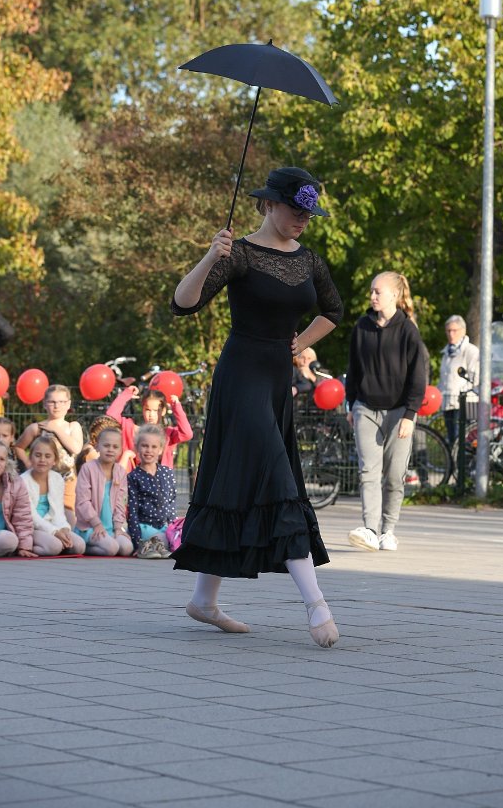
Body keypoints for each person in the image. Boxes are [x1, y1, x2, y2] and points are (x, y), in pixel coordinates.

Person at [170, 166, 343, 648]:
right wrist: (211, 255)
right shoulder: (239, 251)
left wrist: (298, 344)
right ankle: (316, 603)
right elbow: (183, 303)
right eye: (295, 209)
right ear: (268, 204)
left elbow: (333, 311)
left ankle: (203, 601)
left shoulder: (309, 260)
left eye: (309, 212)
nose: (303, 219)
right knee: (275, 475)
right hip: (240, 376)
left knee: (237, 478)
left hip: (274, 381)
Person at [346, 271, 427, 553]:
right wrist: (350, 403)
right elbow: (353, 368)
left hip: (399, 412)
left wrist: (410, 413)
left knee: (394, 475)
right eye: (371, 291)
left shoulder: (408, 330)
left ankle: (388, 531)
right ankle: (369, 529)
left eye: (378, 291)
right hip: (365, 408)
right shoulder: (362, 326)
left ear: (394, 294)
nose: (372, 296)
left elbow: (419, 374)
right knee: (369, 470)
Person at [15, 384, 84, 524]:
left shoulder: (72, 426)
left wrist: (56, 430)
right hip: (43, 481)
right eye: (52, 402)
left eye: (61, 402)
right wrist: (29, 464)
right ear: (45, 404)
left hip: (67, 481)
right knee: (45, 516)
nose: (57, 406)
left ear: (68, 404)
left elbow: (76, 448)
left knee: (68, 519)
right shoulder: (37, 428)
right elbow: (18, 447)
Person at [21, 434, 86, 556]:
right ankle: (25, 548)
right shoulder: (23, 481)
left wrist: (64, 528)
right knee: (55, 547)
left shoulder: (57, 479)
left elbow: (58, 512)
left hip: (52, 525)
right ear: (31, 457)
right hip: (31, 527)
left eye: (48, 456)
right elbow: (31, 516)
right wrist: (54, 532)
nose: (42, 460)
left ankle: (56, 543)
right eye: (38, 455)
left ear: (54, 460)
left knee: (79, 546)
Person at [74, 428, 132, 557]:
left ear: (120, 450)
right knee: (112, 549)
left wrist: (118, 527)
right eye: (106, 445)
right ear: (97, 446)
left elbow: (121, 503)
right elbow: (82, 502)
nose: (110, 449)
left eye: (115, 446)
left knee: (127, 548)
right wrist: (96, 524)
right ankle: (84, 545)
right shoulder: (88, 468)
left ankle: (105, 541)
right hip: (90, 527)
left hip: (110, 528)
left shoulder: (120, 472)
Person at [106, 386, 193, 469]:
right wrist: (126, 395)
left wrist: (176, 407)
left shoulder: (168, 434)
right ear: (143, 409)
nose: (151, 415)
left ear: (163, 411)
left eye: (156, 411)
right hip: (132, 482)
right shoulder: (132, 429)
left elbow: (187, 434)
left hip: (159, 483)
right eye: (148, 410)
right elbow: (111, 416)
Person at [127, 424, 177, 559]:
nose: (149, 450)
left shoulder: (167, 473)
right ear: (137, 448)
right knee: (162, 538)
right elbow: (132, 511)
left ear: (160, 449)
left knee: (177, 537)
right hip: (145, 527)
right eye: (144, 446)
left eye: (154, 447)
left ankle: (160, 544)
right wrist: (137, 541)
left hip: (165, 528)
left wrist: (174, 529)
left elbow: (171, 503)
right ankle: (148, 545)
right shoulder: (133, 477)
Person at [439, 315, 479, 445]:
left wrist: (462, 392)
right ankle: (454, 464)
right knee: (452, 439)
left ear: (463, 331)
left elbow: (475, 377)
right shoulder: (446, 353)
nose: (451, 334)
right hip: (447, 402)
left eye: (454, 330)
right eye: (448, 331)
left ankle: (464, 464)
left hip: (464, 403)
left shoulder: (471, 351)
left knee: (462, 440)